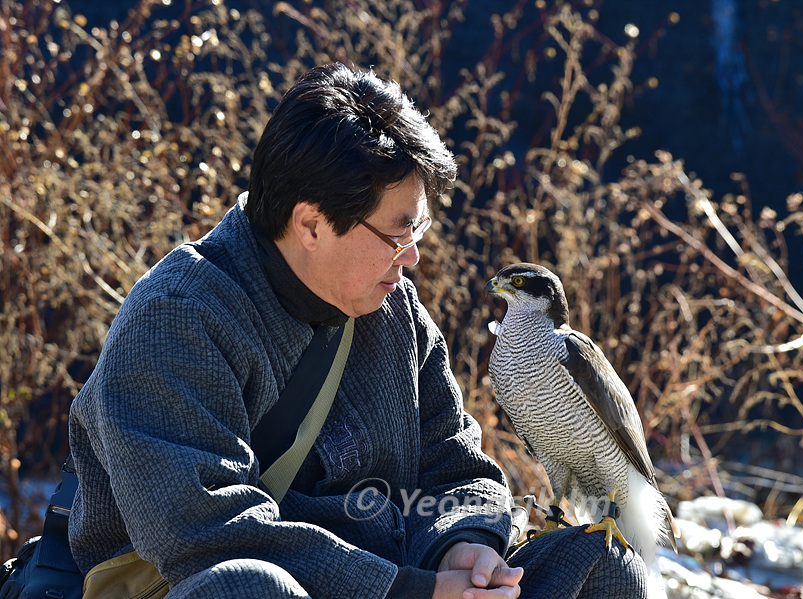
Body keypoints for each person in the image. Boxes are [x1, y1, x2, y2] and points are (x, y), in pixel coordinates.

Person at [68, 62, 647, 598]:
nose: (414, 257)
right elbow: (207, 533)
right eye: (400, 234)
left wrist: (463, 549)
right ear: (312, 224)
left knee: (601, 565)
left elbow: (454, 465)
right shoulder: (177, 319)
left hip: (404, 581)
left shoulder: (393, 308)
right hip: (224, 586)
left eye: (419, 228)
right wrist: (404, 591)